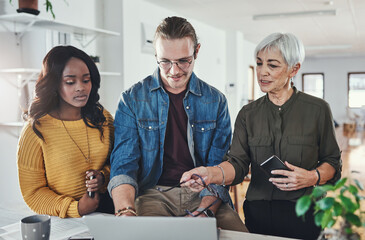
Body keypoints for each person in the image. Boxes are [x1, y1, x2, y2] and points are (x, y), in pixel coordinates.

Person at [181, 33, 342, 239]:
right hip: (258, 213)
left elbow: (333, 163)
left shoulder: (318, 109)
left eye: (272, 65)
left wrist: (312, 177)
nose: (262, 72)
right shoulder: (248, 114)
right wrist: (209, 174)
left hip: (304, 212)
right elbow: (238, 165)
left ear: (294, 69)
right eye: (259, 64)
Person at [108, 16, 246, 232]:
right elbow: (123, 165)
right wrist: (125, 212)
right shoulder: (132, 99)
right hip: (153, 194)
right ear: (155, 54)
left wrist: (203, 212)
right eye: (165, 61)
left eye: (184, 61)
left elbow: (218, 168)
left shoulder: (216, 101)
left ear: (197, 51)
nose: (174, 71)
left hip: (203, 195)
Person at [17, 45, 114, 218]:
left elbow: (120, 162)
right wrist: (75, 208)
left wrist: (102, 178)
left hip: (108, 209)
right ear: (54, 84)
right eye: (70, 82)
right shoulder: (35, 129)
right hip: (63, 220)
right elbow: (33, 193)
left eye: (86, 80)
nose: (80, 88)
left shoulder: (103, 118)